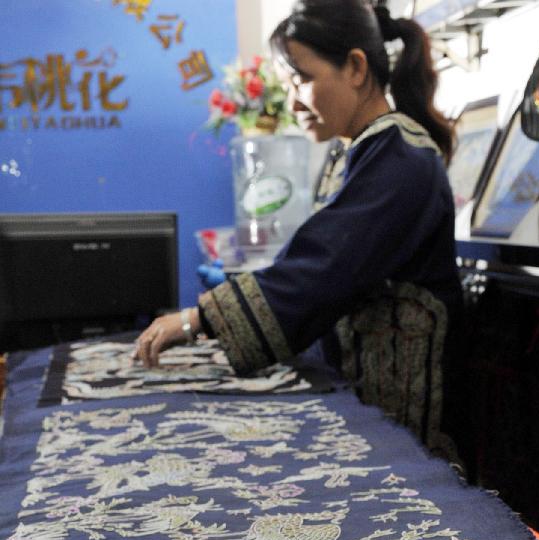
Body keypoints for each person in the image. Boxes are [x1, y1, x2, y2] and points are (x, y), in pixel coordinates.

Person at [135, 0, 464, 458]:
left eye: (302, 80)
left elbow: (325, 268)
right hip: (370, 398)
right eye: (287, 84)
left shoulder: (401, 159)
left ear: (354, 67)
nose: (291, 103)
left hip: (404, 418)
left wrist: (200, 319)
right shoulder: (364, 150)